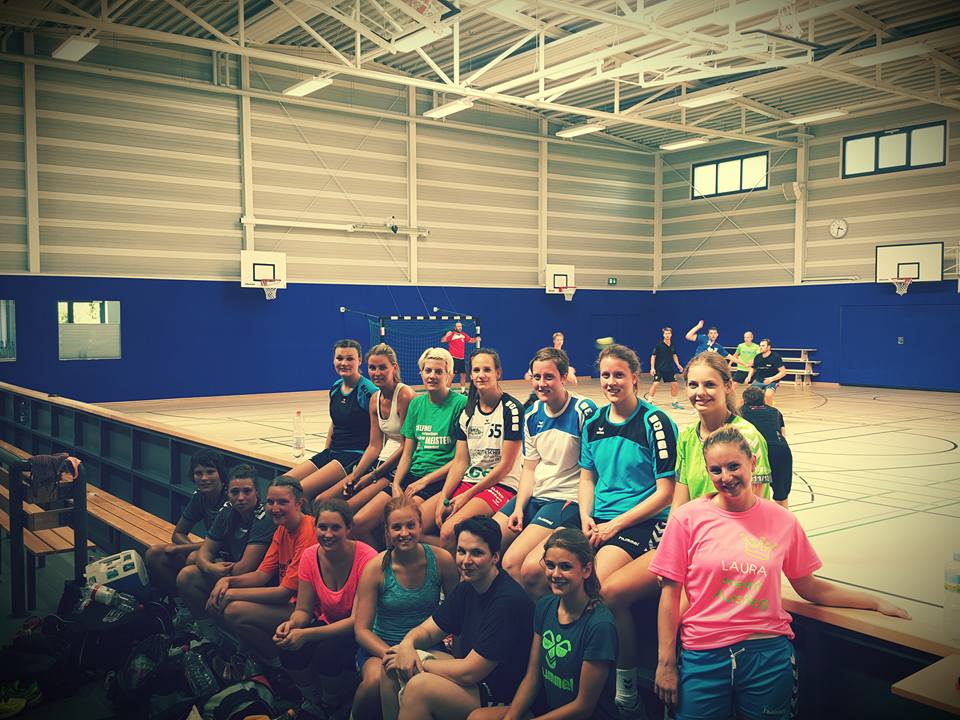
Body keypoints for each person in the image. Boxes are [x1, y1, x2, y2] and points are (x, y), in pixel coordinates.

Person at [652, 425, 910, 720]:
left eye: (734, 466)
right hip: (704, 655)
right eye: (716, 470)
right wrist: (666, 663)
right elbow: (670, 595)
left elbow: (810, 587)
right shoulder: (688, 518)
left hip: (768, 656)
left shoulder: (782, 520)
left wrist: (873, 602)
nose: (726, 477)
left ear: (752, 463)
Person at [578, 343, 678, 715]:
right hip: (598, 520)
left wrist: (614, 525)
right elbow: (587, 478)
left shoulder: (655, 422)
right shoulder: (593, 423)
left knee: (599, 589)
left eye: (619, 375)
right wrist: (586, 518)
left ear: (635, 377)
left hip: (639, 521)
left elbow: (665, 491)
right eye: (605, 375)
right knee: (544, 572)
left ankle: (626, 686)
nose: (611, 382)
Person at [382, 516, 534, 720]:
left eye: (477, 553)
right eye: (461, 551)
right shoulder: (467, 588)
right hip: (476, 681)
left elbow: (470, 672)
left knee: (419, 688)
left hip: (503, 695)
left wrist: (419, 661)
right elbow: (427, 631)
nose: (466, 561)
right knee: (392, 660)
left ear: (495, 557)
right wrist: (407, 645)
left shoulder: (508, 601)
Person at [468, 527, 619, 720]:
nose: (555, 574)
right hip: (550, 712)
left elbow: (583, 707)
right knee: (477, 717)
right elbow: (533, 677)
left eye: (565, 567)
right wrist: (511, 718)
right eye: (550, 565)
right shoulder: (545, 606)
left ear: (586, 570)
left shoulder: (600, 626)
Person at [495, 347, 596, 598]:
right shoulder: (531, 414)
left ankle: (535, 618)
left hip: (564, 499)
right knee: (484, 542)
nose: (541, 383)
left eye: (549, 377)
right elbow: (529, 468)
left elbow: (591, 468)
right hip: (535, 495)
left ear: (564, 377)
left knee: (515, 564)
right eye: (536, 377)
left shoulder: (583, 410)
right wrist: (519, 507)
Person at [352, 496, 460, 720]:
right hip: (381, 647)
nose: (404, 533)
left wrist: (459, 653)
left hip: (428, 645)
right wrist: (395, 654)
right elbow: (361, 631)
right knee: (374, 681)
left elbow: (458, 614)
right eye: (397, 527)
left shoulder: (441, 560)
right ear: (387, 531)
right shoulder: (375, 569)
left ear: (421, 526)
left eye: (411, 525)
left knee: (439, 682)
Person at [351, 348, 467, 548]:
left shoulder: (460, 404)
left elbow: (460, 460)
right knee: (359, 523)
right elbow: (407, 451)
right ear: (421, 373)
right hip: (411, 476)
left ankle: (449, 554)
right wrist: (396, 484)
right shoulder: (416, 404)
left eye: (438, 371)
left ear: (449, 375)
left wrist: (424, 481)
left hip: (438, 480)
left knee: (404, 527)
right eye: (427, 371)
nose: (432, 376)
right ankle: (382, 562)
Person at [273, 499, 378, 719]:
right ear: (315, 528)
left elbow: (357, 621)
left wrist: (306, 634)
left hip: (363, 629)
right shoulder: (310, 555)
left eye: (335, 528)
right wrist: (292, 625)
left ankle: (331, 702)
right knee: (289, 649)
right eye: (322, 527)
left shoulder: (368, 558)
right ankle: (313, 700)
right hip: (329, 623)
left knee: (327, 654)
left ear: (349, 529)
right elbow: (303, 610)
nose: (328, 534)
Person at [207, 476, 316, 663]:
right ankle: (251, 655)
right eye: (270, 502)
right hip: (289, 603)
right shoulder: (282, 528)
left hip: (307, 612)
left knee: (234, 610)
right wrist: (227, 581)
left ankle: (278, 664)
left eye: (282, 502)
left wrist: (231, 594)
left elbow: (284, 593)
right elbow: (261, 575)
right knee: (227, 602)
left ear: (299, 504)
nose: (274, 508)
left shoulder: (308, 532)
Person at [427, 348, 523, 554]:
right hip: (470, 480)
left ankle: (457, 572)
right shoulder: (468, 412)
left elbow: (506, 466)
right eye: (476, 370)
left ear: (498, 373)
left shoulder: (512, 409)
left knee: (448, 532)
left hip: (501, 484)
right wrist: (443, 497)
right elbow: (460, 461)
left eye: (487, 369)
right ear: (470, 375)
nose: (481, 375)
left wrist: (466, 495)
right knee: (416, 522)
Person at [176, 464, 275, 640]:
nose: (241, 498)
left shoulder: (263, 518)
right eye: (235, 492)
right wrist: (210, 567)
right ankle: (209, 634)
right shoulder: (228, 509)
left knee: (191, 571)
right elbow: (205, 551)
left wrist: (213, 570)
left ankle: (241, 644)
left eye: (247, 491)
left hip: (259, 583)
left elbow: (245, 569)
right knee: (187, 574)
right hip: (231, 572)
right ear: (228, 493)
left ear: (257, 493)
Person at [672, 352, 773, 510]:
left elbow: (758, 506)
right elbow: (679, 504)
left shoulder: (748, 436)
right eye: (693, 385)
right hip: (696, 525)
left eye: (710, 385)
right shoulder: (686, 437)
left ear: (728, 386)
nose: (700, 392)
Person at [321, 343, 415, 510]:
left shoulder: (404, 395)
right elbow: (374, 446)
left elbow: (406, 447)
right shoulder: (375, 399)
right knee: (323, 500)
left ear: (394, 368)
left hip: (399, 466)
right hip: (381, 462)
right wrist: (355, 476)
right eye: (372, 368)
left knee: (349, 509)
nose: (376, 373)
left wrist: (372, 476)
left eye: (382, 368)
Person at [287, 339, 378, 500]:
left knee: (299, 492)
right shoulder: (336, 387)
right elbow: (334, 425)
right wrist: (325, 453)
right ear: (333, 360)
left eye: (350, 358)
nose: (344, 363)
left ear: (359, 360)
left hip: (353, 456)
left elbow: (379, 435)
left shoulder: (369, 392)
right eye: (339, 358)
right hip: (332, 452)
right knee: (282, 484)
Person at [145, 448, 228, 597]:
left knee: (194, 557)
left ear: (221, 473)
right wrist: (193, 548)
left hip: (229, 557)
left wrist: (182, 549)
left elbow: (223, 544)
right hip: (210, 552)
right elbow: (178, 533)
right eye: (198, 473)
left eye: (210, 472)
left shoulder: (231, 498)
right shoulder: (200, 496)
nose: (204, 478)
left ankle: (196, 603)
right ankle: (181, 601)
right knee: (155, 553)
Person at [740, 386, 793, 508]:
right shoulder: (776, 412)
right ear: (763, 399)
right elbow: (783, 434)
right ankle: (783, 518)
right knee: (781, 495)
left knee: (756, 494)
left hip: (756, 451)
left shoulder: (740, 412)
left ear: (744, 400)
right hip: (780, 449)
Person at [647, 327, 685, 409]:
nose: (667, 335)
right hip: (659, 368)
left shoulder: (672, 345)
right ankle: (649, 401)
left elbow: (674, 355)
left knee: (675, 384)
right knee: (655, 384)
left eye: (669, 333)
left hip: (669, 369)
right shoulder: (658, 345)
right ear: (663, 335)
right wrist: (652, 368)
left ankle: (675, 403)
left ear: (671, 334)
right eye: (666, 333)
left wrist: (678, 364)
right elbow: (653, 356)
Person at [746, 338, 788, 404]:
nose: (761, 347)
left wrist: (771, 379)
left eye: (763, 346)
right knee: (747, 395)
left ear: (768, 347)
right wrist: (749, 376)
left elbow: (783, 372)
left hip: (772, 382)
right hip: (759, 381)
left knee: (768, 395)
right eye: (760, 346)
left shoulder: (775, 357)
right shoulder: (757, 357)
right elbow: (753, 368)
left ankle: (769, 409)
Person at [442, 321, 478, 389]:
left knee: (463, 374)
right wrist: (446, 335)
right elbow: (443, 340)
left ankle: (463, 391)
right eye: (458, 326)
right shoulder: (452, 334)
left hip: (461, 358)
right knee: (451, 375)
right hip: (454, 358)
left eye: (461, 326)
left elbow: (471, 340)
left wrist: (476, 339)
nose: (460, 328)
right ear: (455, 327)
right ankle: (446, 391)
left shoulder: (463, 335)